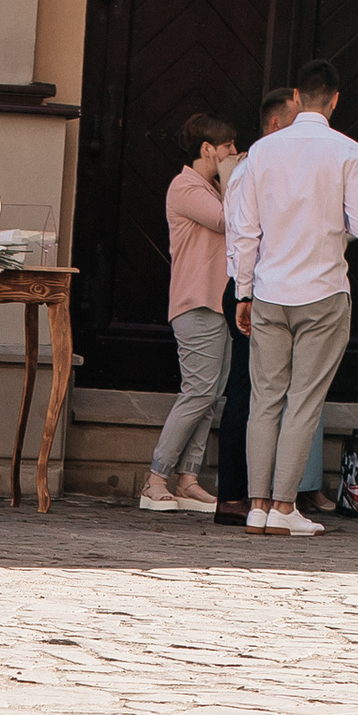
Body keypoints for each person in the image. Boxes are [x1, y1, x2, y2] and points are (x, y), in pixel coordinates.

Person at [229, 58, 358, 539]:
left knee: (264, 401)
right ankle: (285, 505)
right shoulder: (348, 151)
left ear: (296, 96)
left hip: (269, 290)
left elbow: (244, 231)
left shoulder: (263, 153)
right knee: (304, 403)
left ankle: (256, 506)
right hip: (323, 289)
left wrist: (243, 291)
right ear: (334, 100)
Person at [213, 85, 300, 524]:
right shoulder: (254, 168)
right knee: (247, 392)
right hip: (254, 285)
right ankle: (235, 495)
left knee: (261, 392)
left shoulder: (274, 164)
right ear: (275, 123)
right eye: (296, 119)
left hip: (265, 285)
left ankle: (254, 496)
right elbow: (245, 236)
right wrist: (245, 293)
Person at [144, 113, 235, 511]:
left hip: (219, 304)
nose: (234, 151)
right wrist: (234, 178)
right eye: (228, 146)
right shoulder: (186, 186)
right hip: (196, 303)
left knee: (211, 396)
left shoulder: (212, 187)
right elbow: (227, 220)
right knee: (197, 392)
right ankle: (155, 479)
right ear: (207, 149)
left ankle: (188, 479)